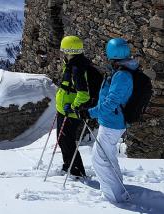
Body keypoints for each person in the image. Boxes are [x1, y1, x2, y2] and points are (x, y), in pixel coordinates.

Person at [77, 38, 137, 203]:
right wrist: (92, 105)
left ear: (112, 54)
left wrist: (90, 112)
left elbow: (112, 102)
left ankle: (113, 197)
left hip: (112, 123)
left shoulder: (122, 75)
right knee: (108, 157)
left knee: (99, 159)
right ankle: (117, 191)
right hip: (111, 121)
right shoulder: (119, 71)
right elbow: (107, 97)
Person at [54, 35, 95, 178]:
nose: (63, 53)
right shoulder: (74, 64)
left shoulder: (77, 69)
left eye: (64, 50)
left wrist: (72, 106)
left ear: (69, 50)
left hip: (70, 112)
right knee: (63, 140)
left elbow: (83, 94)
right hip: (64, 110)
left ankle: (76, 171)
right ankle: (69, 167)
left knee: (66, 141)